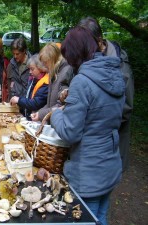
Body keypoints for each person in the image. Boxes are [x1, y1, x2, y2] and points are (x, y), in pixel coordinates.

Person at [50, 26, 125, 225]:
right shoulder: (115, 75)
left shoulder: (82, 82)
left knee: (84, 219)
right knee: (100, 217)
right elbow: (100, 115)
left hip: (88, 170)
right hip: (109, 163)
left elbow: (70, 132)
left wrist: (56, 115)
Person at [78, 17, 134, 172]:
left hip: (110, 145)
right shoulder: (89, 59)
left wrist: (88, 119)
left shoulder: (121, 67)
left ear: (100, 42)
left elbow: (126, 109)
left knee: (104, 185)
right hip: (91, 146)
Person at [30, 42, 73, 122]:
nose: (44, 65)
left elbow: (61, 105)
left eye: (45, 62)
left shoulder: (65, 72)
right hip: (52, 119)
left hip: (59, 121)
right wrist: (39, 113)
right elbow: (50, 103)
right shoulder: (53, 72)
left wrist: (41, 114)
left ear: (53, 59)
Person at [9, 54, 49, 120]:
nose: (30, 72)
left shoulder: (45, 83)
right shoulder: (33, 79)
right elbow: (28, 96)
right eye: (29, 69)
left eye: (32, 69)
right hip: (30, 117)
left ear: (40, 68)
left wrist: (19, 100)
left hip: (38, 120)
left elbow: (35, 103)